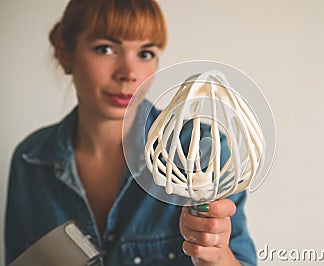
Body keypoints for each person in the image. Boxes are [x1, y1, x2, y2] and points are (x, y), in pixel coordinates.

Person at [5, 0, 257, 265]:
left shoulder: (200, 150)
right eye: (106, 49)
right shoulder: (30, 160)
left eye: (145, 53)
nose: (129, 73)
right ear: (65, 52)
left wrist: (215, 255)